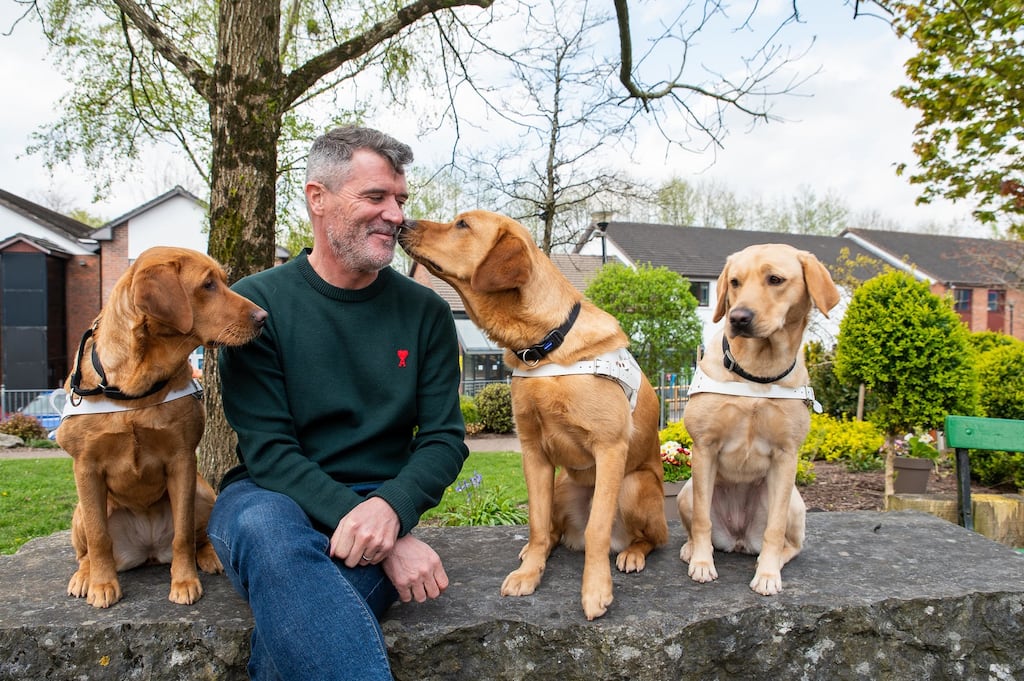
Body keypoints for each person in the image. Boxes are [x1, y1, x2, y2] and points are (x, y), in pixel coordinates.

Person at [208, 125, 469, 681]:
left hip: (374, 502)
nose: (396, 216)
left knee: (300, 624)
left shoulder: (426, 313)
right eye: (375, 197)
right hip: (269, 496)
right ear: (317, 198)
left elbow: (445, 439)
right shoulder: (257, 305)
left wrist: (390, 508)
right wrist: (386, 534)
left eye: (400, 200)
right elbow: (271, 453)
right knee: (266, 530)